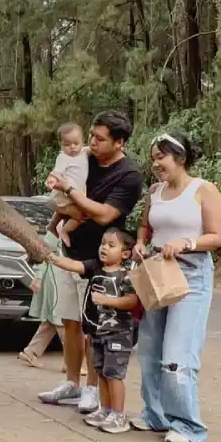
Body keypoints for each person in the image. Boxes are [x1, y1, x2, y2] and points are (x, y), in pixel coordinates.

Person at [37, 110, 144, 414]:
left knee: (93, 328)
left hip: (100, 262)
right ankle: (71, 382)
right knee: (70, 322)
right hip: (69, 253)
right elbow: (60, 176)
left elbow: (104, 214)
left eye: (100, 139)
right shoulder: (82, 156)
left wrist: (68, 190)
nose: (92, 143)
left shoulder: (129, 176)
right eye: (92, 136)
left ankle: (92, 388)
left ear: (119, 142)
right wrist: (55, 180)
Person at [131, 132, 221, 442]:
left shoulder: (204, 190)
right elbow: (146, 226)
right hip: (157, 272)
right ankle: (156, 414)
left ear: (180, 158)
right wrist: (141, 243)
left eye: (162, 157)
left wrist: (187, 242)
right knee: (149, 350)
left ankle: (189, 428)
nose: (156, 163)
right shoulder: (155, 192)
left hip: (191, 275)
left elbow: (217, 236)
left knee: (176, 356)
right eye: (153, 158)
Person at [47, 228, 139, 433]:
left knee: (115, 374)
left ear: (125, 253)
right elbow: (73, 265)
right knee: (102, 372)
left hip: (118, 334)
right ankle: (105, 409)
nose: (104, 248)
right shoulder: (95, 268)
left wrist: (108, 300)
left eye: (111, 245)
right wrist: (50, 257)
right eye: (103, 243)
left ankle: (119, 415)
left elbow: (132, 301)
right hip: (97, 333)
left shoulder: (127, 276)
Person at [45, 122, 90, 247]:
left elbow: (93, 149)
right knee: (81, 216)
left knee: (66, 211)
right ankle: (64, 231)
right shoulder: (63, 157)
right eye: (67, 144)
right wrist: (51, 180)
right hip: (63, 196)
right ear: (61, 145)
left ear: (83, 141)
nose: (72, 147)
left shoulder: (84, 152)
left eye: (76, 143)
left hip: (72, 195)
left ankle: (52, 225)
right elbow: (56, 171)